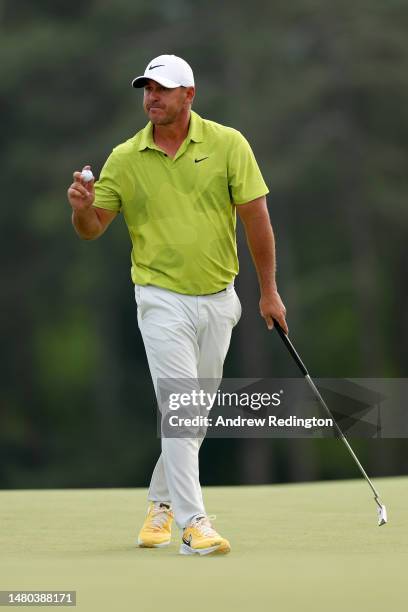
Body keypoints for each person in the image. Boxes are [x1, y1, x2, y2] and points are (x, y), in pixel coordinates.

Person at [67, 54, 288, 556]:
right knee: (181, 410)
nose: (152, 97)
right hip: (160, 298)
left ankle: (161, 502)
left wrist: (268, 291)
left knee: (195, 415)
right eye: (147, 89)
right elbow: (94, 228)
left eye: (163, 89)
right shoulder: (125, 157)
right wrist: (82, 211)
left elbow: (256, 219)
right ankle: (194, 526)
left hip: (218, 299)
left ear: (189, 95)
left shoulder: (229, 145)